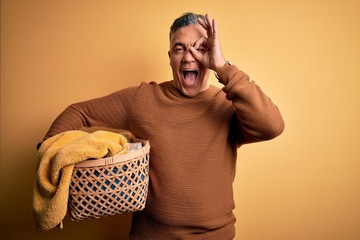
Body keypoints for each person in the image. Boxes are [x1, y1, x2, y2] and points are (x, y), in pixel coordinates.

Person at [39, 12, 284, 240]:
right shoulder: (143, 99)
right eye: (180, 49)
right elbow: (78, 112)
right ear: (170, 57)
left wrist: (223, 67)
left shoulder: (229, 105)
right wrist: (49, 153)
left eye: (200, 49)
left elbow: (272, 126)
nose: (190, 57)